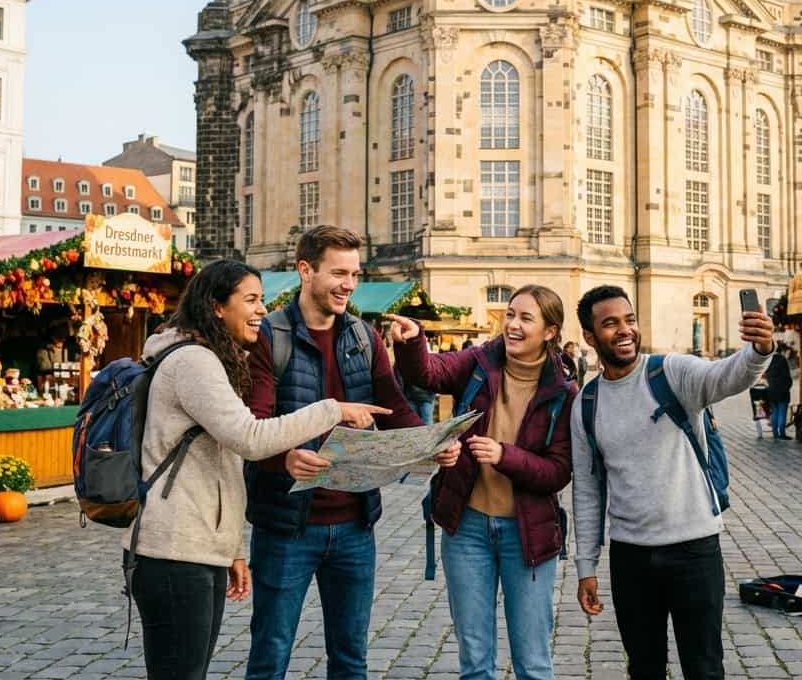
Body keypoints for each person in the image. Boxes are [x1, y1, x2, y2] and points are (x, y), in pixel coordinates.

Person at [125, 260, 391, 680]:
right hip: (173, 550)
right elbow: (249, 438)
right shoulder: (193, 362)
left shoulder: (210, 358)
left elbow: (223, 465)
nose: (261, 310)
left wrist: (231, 549)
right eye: (250, 300)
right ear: (217, 307)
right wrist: (332, 410)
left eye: (262, 300)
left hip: (196, 548)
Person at [243, 226, 461, 680]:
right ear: (306, 271)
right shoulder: (270, 335)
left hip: (355, 527)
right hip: (286, 528)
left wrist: (432, 442)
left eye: (355, 275)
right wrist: (283, 459)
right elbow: (253, 428)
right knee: (270, 657)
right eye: (338, 273)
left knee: (350, 659)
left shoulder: (363, 337)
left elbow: (393, 407)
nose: (349, 284)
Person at [571, 285, 774, 680]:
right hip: (630, 558)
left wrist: (759, 349)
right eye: (610, 324)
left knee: (704, 668)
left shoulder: (672, 372)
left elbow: (727, 376)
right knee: (644, 669)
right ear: (590, 337)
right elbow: (587, 491)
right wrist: (586, 567)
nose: (624, 330)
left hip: (694, 551)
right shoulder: (587, 402)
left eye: (630, 319)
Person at [387, 285, 576, 680]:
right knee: (474, 662)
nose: (513, 324)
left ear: (550, 331)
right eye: (511, 314)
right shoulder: (479, 362)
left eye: (526, 318)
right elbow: (428, 372)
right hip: (468, 529)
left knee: (533, 663)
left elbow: (558, 471)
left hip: (528, 534)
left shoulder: (563, 391)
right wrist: (413, 342)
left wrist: (506, 457)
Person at [764, 343, 793, 440]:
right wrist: (788, 386)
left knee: (774, 412)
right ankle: (782, 434)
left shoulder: (768, 360)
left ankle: (775, 433)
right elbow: (787, 376)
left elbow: (766, 375)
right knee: (782, 412)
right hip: (782, 390)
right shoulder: (782, 360)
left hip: (771, 390)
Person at [394, 360, 437, 425]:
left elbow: (399, 381)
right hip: (422, 397)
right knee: (425, 424)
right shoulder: (430, 358)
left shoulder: (401, 360)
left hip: (417, 397)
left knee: (417, 424)